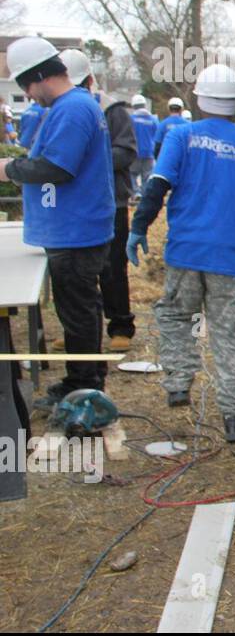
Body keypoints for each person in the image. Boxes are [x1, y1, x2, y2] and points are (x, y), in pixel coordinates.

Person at [127, 64, 235, 443]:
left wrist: (139, 227)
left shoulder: (182, 137)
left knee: (174, 315)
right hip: (231, 261)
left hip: (185, 252)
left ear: (199, 99)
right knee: (230, 334)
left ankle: (179, 383)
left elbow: (157, 185)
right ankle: (234, 417)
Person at [0, 38, 115, 408]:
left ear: (37, 77)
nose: (29, 97)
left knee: (78, 313)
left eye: (26, 88)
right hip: (73, 228)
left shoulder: (72, 109)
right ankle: (83, 380)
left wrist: (8, 169)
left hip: (77, 231)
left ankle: (83, 387)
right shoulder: (75, 106)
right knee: (78, 311)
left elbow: (57, 168)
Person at [62, 49, 137, 353]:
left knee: (111, 266)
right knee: (77, 270)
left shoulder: (112, 110)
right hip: (75, 204)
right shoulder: (59, 109)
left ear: (91, 81)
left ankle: (120, 325)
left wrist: (91, 159)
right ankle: (80, 330)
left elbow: (127, 151)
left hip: (110, 202)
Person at [128, 95, 159, 199]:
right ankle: (145, 194)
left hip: (135, 151)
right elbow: (157, 135)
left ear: (133, 106)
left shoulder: (131, 119)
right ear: (145, 105)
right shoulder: (153, 120)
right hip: (149, 152)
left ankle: (135, 192)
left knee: (132, 173)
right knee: (147, 175)